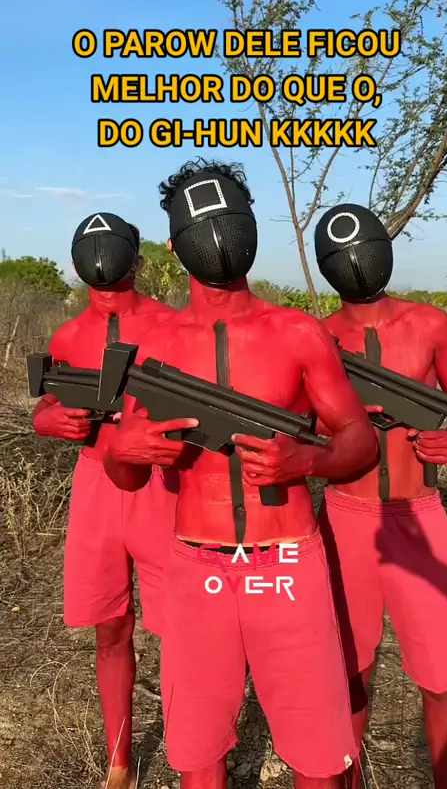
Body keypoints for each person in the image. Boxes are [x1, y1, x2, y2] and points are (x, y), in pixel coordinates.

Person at [103, 160, 379, 789]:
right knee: (199, 755)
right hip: (196, 565)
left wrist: (309, 460)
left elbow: (359, 439)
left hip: (289, 561)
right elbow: (127, 476)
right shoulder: (156, 344)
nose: (218, 238)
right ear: (171, 244)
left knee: (318, 758)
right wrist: (124, 449)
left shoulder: (299, 332)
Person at [313, 203, 447, 789]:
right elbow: (301, 423)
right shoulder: (318, 337)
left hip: (418, 515)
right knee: (350, 673)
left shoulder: (431, 325)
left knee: (439, 678)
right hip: (343, 518)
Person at [32, 213, 177, 789]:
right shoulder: (68, 336)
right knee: (110, 627)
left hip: (163, 485)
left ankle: (192, 744)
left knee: (178, 626)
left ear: (138, 262)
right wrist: (49, 422)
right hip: (96, 487)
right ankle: (119, 759)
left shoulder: (173, 326)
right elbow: (47, 404)